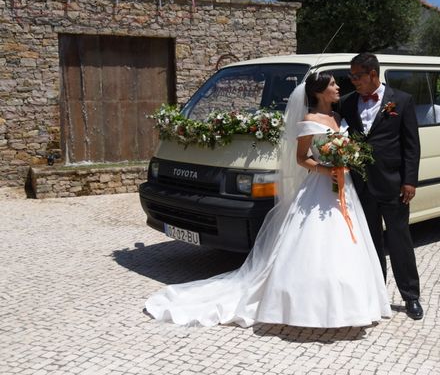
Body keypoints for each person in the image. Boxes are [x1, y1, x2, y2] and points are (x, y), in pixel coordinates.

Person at [145, 72, 391, 328]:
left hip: (343, 188)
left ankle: (354, 304)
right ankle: (306, 306)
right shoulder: (309, 120)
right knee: (315, 243)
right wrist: (325, 169)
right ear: (319, 92)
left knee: (348, 240)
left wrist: (347, 160)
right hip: (320, 185)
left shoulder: (339, 118)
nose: (338, 87)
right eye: (332, 84)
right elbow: (301, 158)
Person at [336, 52, 423, 320]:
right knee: (370, 243)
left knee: (399, 242)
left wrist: (409, 180)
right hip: (361, 185)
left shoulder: (402, 100)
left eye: (357, 76)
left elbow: (412, 145)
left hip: (393, 185)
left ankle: (411, 297)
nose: (353, 81)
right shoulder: (348, 103)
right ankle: (376, 295)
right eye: (351, 76)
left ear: (373, 74)